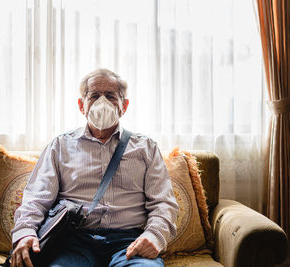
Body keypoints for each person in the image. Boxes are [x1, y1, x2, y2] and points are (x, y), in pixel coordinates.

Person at [10, 68, 179, 267]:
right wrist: (25, 233)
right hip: (73, 242)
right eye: (94, 96)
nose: (102, 102)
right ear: (82, 105)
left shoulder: (146, 148)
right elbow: (36, 200)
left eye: (110, 96)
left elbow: (163, 203)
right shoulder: (60, 146)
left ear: (124, 105)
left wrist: (154, 235)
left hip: (128, 242)